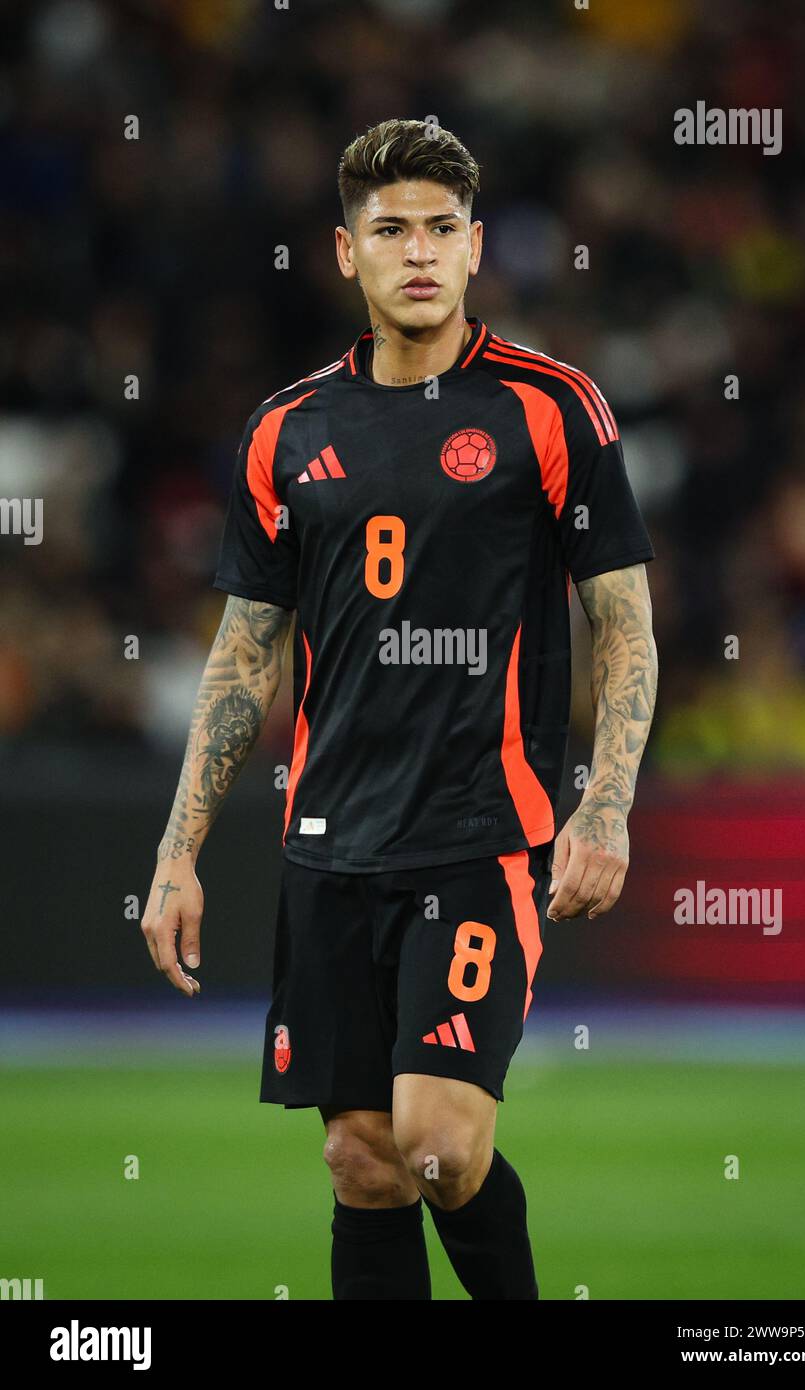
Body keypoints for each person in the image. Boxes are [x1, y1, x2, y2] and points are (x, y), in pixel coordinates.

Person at [141, 117, 658, 1300]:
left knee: (437, 1140)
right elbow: (243, 653)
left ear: (476, 248)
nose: (416, 251)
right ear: (343, 252)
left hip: (484, 832)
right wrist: (177, 852)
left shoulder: (550, 408)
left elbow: (622, 625)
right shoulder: (287, 431)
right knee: (361, 1161)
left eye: (439, 229)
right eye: (389, 230)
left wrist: (607, 803)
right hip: (331, 844)